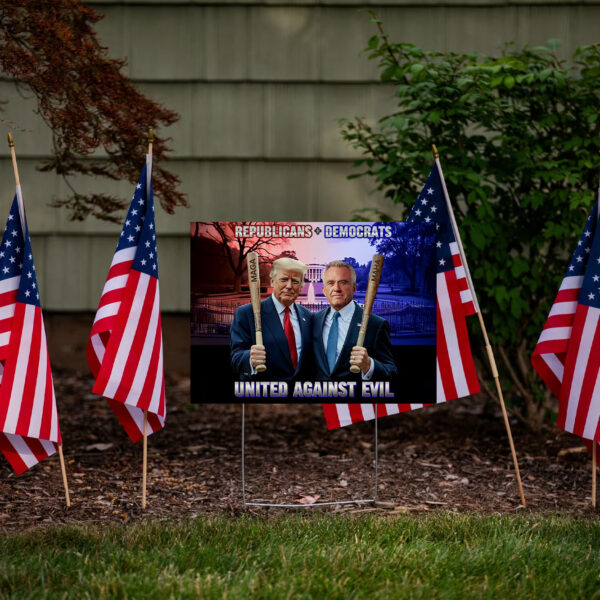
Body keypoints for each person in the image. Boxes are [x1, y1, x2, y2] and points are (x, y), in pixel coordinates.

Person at [312, 260, 396, 381]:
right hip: (319, 396)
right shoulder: (315, 320)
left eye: (343, 282)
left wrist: (368, 365)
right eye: (331, 283)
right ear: (324, 290)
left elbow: (391, 372)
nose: (336, 288)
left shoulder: (376, 324)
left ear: (354, 288)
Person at [231, 257, 312, 381]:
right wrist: (250, 358)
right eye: (284, 279)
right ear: (272, 281)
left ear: (301, 286)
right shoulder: (246, 313)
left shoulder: (307, 316)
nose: (289, 286)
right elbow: (236, 359)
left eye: (295, 281)